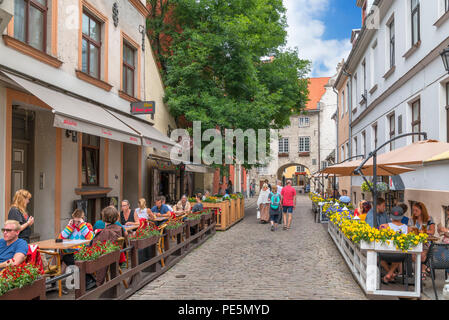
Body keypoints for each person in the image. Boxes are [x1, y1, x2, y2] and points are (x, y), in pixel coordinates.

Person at [90, 206, 127, 288]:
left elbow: (95, 247)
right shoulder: (119, 228)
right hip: (115, 256)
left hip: (103, 259)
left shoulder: (106, 232)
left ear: (104, 217)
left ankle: (90, 283)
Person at [379, 206, 410, 284]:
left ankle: (389, 273)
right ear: (402, 216)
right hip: (400, 256)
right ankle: (390, 274)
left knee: (377, 257)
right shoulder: (408, 229)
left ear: (391, 216)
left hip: (384, 254)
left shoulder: (383, 226)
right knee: (399, 252)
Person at [410, 201, 435, 279]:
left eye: (416, 210)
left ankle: (422, 271)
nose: (414, 212)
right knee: (415, 255)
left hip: (426, 243)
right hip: (415, 243)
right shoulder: (412, 220)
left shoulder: (429, 219)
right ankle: (424, 270)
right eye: (413, 210)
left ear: (422, 211)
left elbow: (432, 231)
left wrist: (422, 231)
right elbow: (409, 230)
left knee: (423, 255)